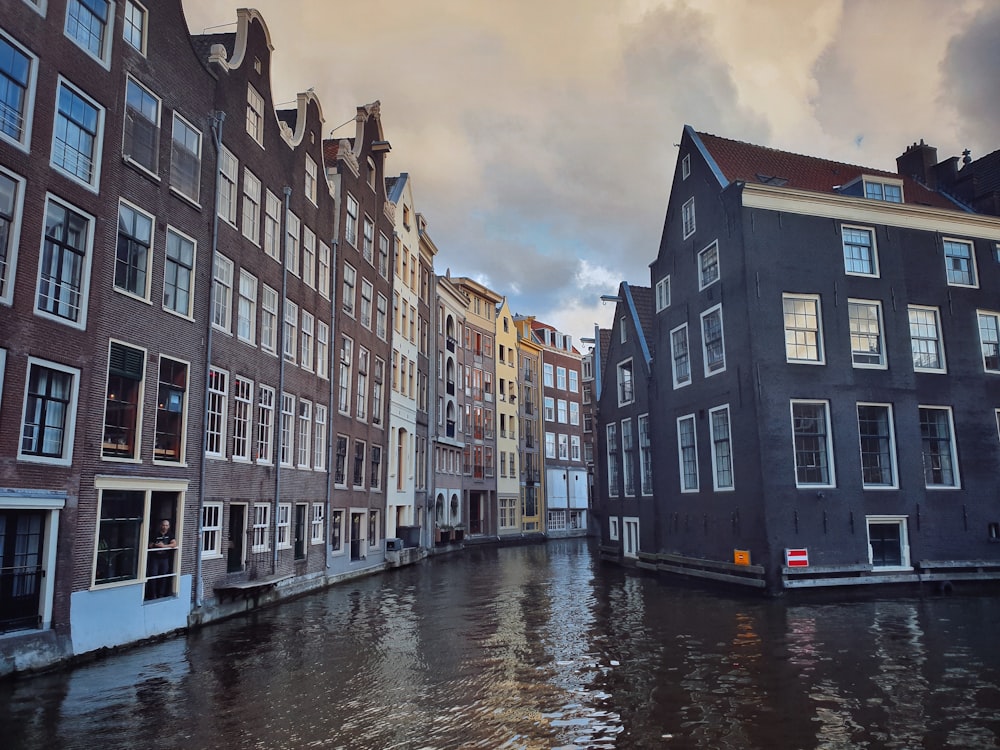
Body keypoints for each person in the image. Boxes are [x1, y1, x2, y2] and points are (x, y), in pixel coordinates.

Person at [148, 519, 177, 598]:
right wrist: (156, 545)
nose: (165, 527)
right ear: (161, 526)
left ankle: (161, 594)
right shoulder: (155, 534)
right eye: (163, 525)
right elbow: (149, 544)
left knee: (163, 576)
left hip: (165, 558)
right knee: (153, 575)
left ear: (169, 526)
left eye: (166, 525)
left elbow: (174, 544)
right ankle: (153, 594)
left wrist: (164, 546)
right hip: (155, 558)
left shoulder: (170, 534)